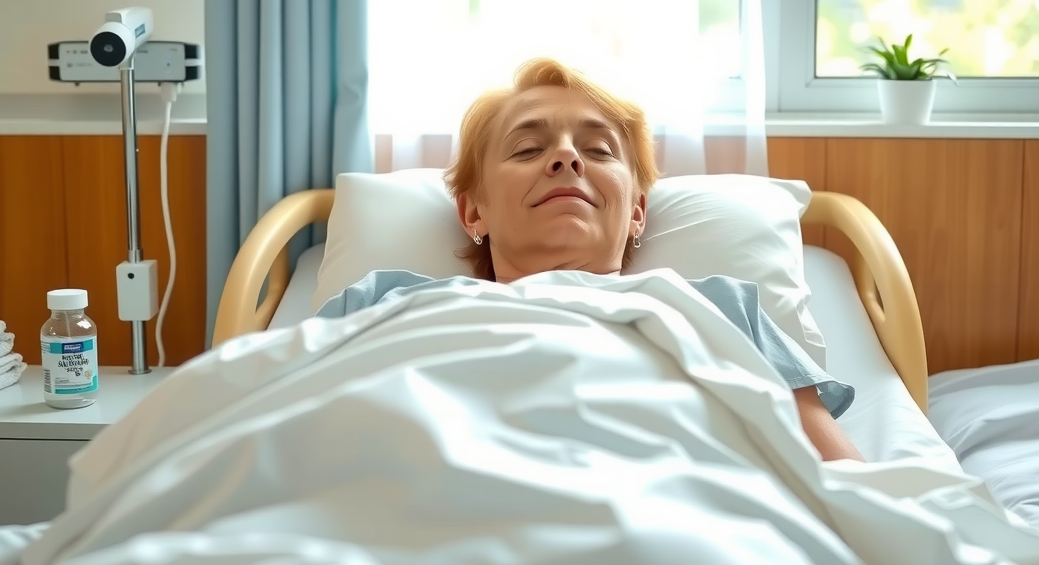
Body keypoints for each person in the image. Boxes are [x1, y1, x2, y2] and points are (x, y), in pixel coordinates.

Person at [318, 58, 864, 462]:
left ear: (637, 212)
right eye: (528, 149)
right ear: (472, 211)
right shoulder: (380, 308)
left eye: (598, 150)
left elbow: (843, 482)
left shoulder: (724, 312)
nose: (566, 156)